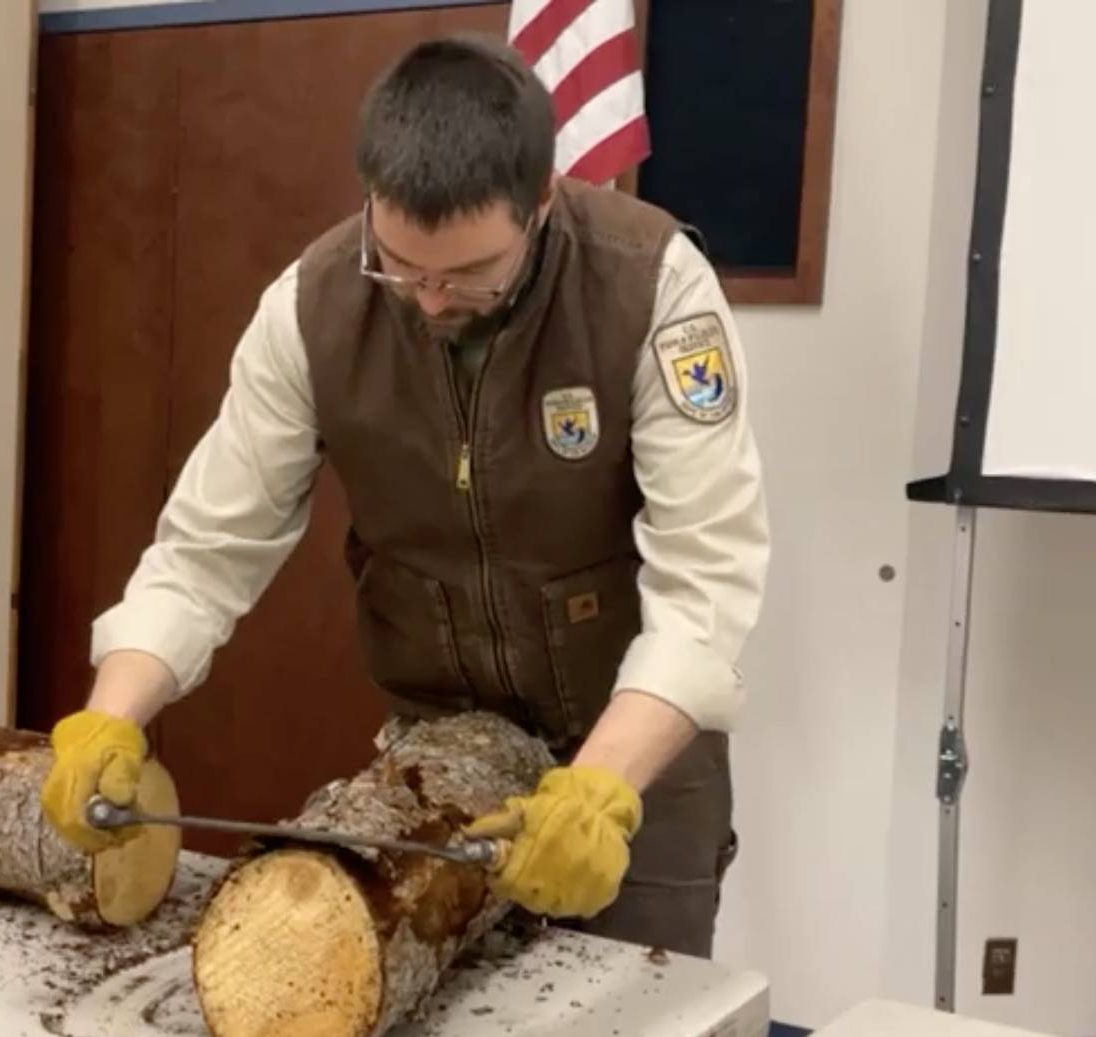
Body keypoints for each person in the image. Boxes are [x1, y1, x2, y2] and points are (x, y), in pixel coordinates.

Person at [39, 32, 769, 959]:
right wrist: (115, 708)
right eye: (401, 265)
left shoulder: (651, 286)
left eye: (468, 274)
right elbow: (207, 552)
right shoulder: (309, 308)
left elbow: (708, 580)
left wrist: (601, 789)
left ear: (540, 200)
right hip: (439, 759)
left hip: (634, 762)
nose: (428, 299)